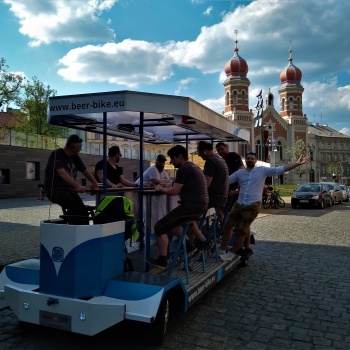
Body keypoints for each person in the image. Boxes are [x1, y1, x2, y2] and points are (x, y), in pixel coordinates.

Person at [219, 151, 310, 262]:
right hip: (239, 203)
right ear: (245, 160)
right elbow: (226, 181)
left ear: (256, 160)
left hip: (252, 205)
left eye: (252, 158)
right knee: (227, 226)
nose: (250, 160)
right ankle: (222, 250)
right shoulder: (240, 173)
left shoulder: (262, 170)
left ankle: (232, 253)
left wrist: (297, 164)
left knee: (242, 230)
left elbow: (281, 169)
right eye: (248, 158)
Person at [151, 145, 209, 269]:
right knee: (173, 223)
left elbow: (174, 191)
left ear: (180, 156)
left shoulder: (184, 168)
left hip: (191, 207)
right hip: (199, 206)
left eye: (172, 158)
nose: (171, 161)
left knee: (159, 227)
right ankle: (190, 247)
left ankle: (162, 261)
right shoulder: (193, 166)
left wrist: (160, 189)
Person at [43, 134, 98, 216]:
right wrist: (78, 186)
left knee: (81, 210)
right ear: (72, 146)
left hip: (69, 190)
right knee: (79, 211)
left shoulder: (75, 157)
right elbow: (62, 173)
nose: (80, 150)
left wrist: (95, 183)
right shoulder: (57, 154)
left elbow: (85, 171)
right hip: (55, 190)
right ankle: (75, 224)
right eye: (79, 147)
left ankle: (75, 221)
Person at [189, 141, 229, 250]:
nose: (198, 155)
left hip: (213, 197)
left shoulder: (211, 161)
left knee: (189, 216)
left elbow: (206, 183)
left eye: (199, 152)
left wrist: (192, 189)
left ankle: (197, 241)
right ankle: (223, 232)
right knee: (218, 215)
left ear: (205, 151)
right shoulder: (220, 159)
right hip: (221, 196)